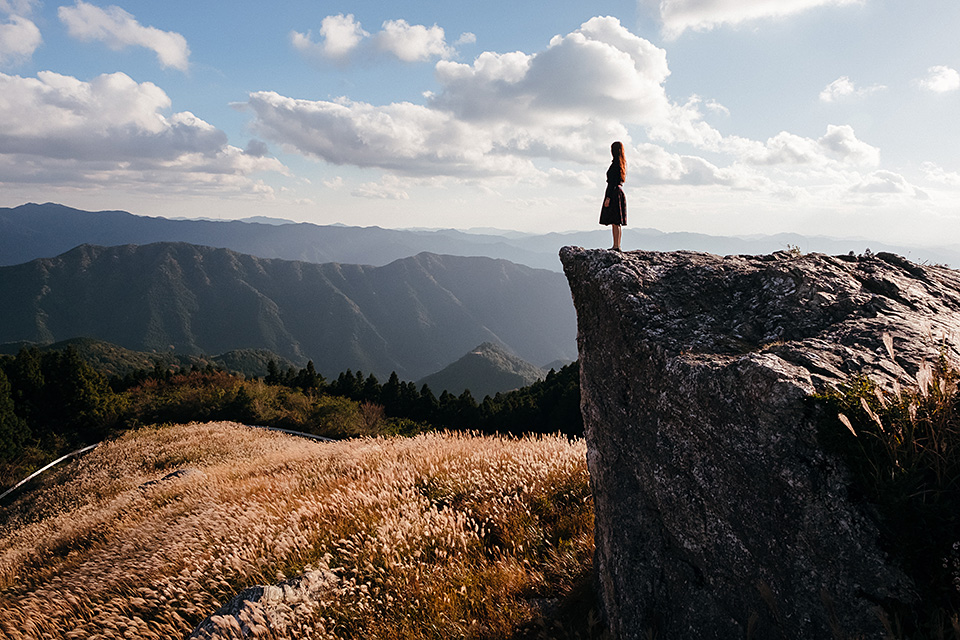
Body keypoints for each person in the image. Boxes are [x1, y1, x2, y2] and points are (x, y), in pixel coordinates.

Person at [599, 141, 627, 251]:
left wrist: (608, 197)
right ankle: (617, 245)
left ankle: (616, 245)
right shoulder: (622, 164)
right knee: (617, 222)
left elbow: (612, 183)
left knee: (615, 222)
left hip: (614, 193)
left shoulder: (615, 164)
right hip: (619, 192)